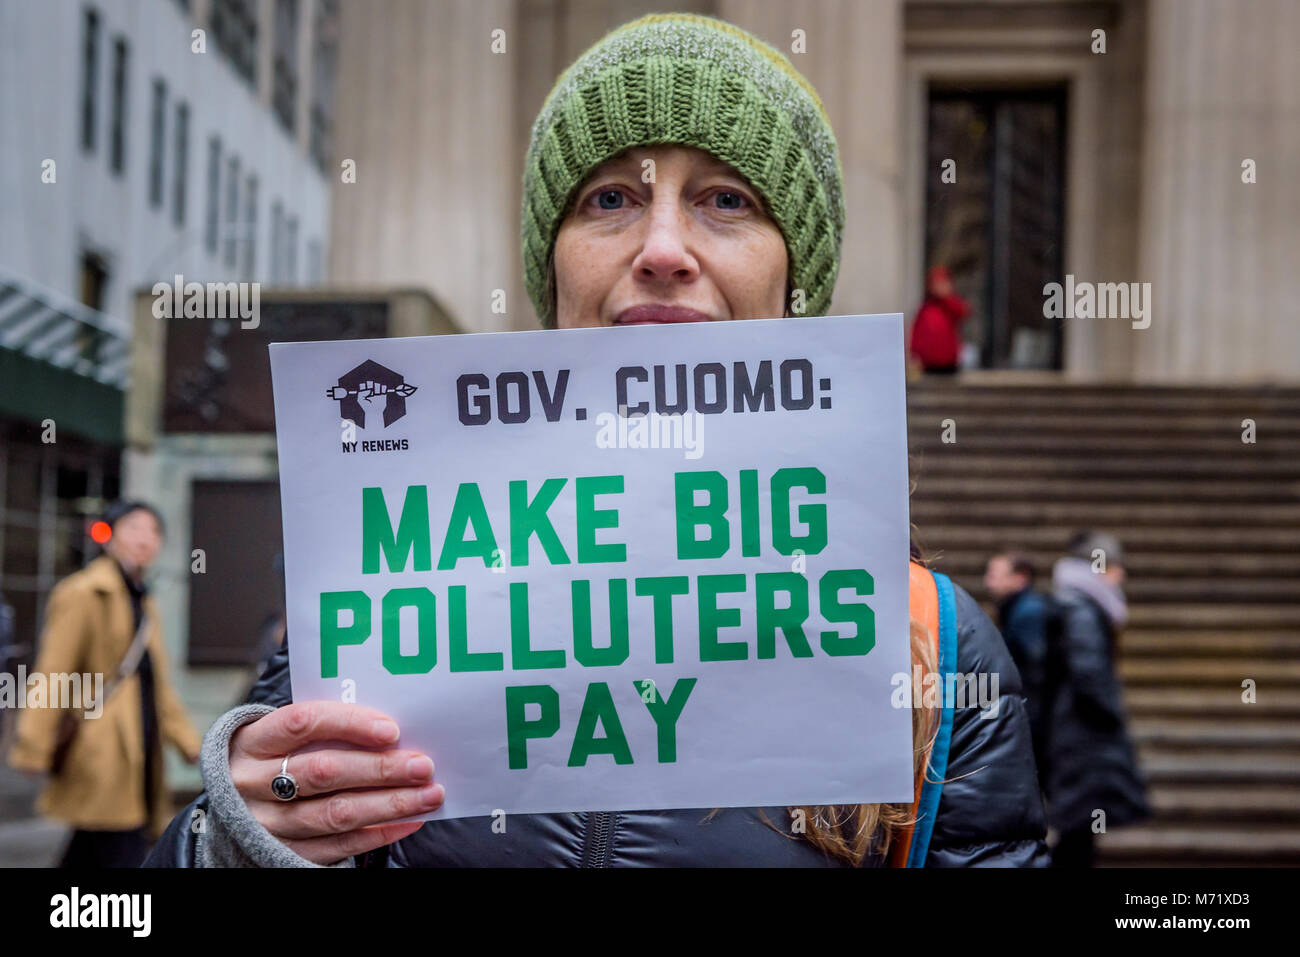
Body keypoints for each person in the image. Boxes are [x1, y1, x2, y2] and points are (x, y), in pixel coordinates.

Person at [145, 13, 1046, 868]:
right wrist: (233, 838)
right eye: (610, 197)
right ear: (554, 270)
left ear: (792, 282)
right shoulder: (377, 604)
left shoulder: (935, 648)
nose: (662, 248)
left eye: (725, 199)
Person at [8, 500, 202, 867]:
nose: (145, 538)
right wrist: (32, 745)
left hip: (141, 742)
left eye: (154, 531)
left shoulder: (144, 601)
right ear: (108, 537)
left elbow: (157, 684)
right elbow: (54, 672)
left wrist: (189, 743)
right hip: (103, 744)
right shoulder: (84, 591)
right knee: (120, 843)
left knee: (95, 846)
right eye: (134, 528)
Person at [1043, 532, 1151, 867]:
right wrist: (1110, 714)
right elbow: (1087, 672)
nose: (1122, 576)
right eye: (1117, 567)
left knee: (1081, 822)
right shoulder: (1083, 610)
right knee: (1080, 824)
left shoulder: (1075, 604)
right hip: (1082, 733)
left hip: (1075, 729)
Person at [983, 550, 1056, 774]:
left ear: (1020, 577)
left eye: (995, 575)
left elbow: (1033, 670)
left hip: (1033, 718)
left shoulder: (1027, 613)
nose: (987, 582)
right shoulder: (1017, 610)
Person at [908, 265, 971, 373]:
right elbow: (917, 334)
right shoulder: (926, 308)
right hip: (928, 364)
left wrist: (948, 297)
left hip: (949, 363)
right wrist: (914, 354)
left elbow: (963, 312)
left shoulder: (951, 305)